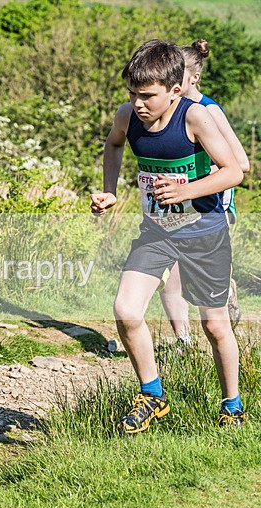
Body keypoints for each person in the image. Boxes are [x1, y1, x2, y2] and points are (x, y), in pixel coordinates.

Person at [91, 40, 245, 432]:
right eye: (132, 93)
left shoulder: (196, 118)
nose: (138, 103)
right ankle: (153, 395)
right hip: (157, 231)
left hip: (204, 233)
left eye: (147, 95)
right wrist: (109, 189)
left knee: (214, 326)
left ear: (175, 90)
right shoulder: (128, 116)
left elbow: (234, 171)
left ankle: (233, 405)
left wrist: (187, 190)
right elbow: (113, 145)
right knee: (126, 310)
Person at [158, 39, 250, 337]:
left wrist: (195, 176)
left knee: (189, 281)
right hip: (175, 207)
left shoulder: (208, 110)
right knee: (169, 277)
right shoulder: (169, 109)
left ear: (192, 77)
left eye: (175, 75)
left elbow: (242, 164)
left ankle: (224, 293)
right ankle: (183, 343)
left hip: (212, 208)